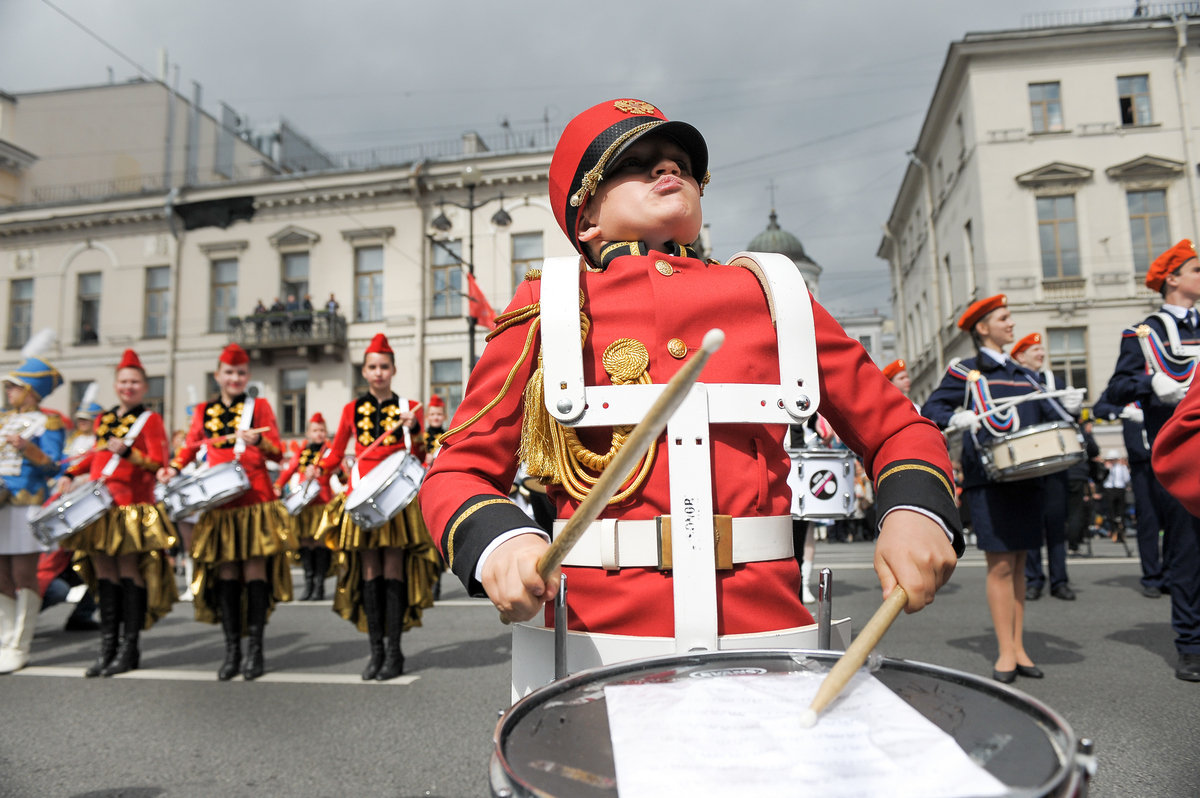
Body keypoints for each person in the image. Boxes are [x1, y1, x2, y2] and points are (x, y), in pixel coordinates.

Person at [420, 99, 962, 685]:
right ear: (585, 217)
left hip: (767, 634)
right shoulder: (548, 307)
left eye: (680, 160)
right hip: (596, 641)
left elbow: (897, 428)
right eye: (636, 162)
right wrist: (502, 543)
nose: (667, 169)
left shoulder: (774, 294)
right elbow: (459, 470)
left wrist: (914, 510)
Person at [923, 296, 1082, 683]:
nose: (1011, 324)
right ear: (982, 327)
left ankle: (1019, 646)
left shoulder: (1023, 374)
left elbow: (1049, 415)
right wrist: (955, 416)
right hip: (988, 480)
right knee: (1000, 566)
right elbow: (931, 410)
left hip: (1027, 479)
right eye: (1003, 318)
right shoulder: (965, 372)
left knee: (1021, 565)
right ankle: (1005, 652)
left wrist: (1068, 404)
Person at [158, 343, 292, 681]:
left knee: (254, 574)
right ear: (218, 375)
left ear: (247, 376)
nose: (235, 378)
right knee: (228, 576)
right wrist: (172, 469)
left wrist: (258, 443)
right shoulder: (203, 411)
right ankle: (233, 650)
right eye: (229, 373)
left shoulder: (258, 407)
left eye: (241, 373)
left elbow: (277, 452)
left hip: (255, 502)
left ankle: (256, 650)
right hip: (219, 506)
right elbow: (188, 448)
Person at [1102, 238, 1200, 681]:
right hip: (1183, 452)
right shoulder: (1145, 333)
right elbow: (1118, 387)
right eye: (1196, 269)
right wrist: (1150, 386)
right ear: (1172, 279)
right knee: (1187, 550)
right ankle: (1191, 643)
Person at [315, 334, 440, 680]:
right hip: (362, 494)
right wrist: (321, 471)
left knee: (393, 571)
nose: (378, 372)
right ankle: (377, 651)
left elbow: (416, 458)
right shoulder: (350, 410)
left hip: (396, 500)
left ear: (393, 370)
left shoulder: (409, 408)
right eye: (372, 367)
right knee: (370, 572)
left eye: (384, 366)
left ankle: (396, 652)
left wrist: (413, 432)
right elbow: (337, 451)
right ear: (364, 371)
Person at [58, 349, 177, 677]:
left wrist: (130, 454)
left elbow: (157, 464)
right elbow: (96, 456)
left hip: (131, 508)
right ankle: (107, 648)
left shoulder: (150, 420)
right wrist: (71, 473)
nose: (129, 386)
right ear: (116, 385)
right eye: (124, 381)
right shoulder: (104, 419)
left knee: (128, 573)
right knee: (105, 576)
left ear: (144, 386)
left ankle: (129, 647)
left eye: (135, 381)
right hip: (100, 507)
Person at [0, 335, 66, 673]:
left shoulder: (49, 422)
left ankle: (19, 644)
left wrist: (28, 448)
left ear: (30, 390)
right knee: (1, 575)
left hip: (26, 504)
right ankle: (4, 639)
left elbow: (55, 465)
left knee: (24, 574)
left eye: (14, 387)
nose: (8, 391)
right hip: (0, 504)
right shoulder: (2, 418)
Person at [1009, 332, 1077, 601]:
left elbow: (1061, 418)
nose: (1041, 353)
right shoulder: (1014, 382)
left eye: (1041, 349)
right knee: (1032, 525)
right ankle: (1034, 578)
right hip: (1027, 461)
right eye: (1034, 349)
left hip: (1055, 462)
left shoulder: (1052, 382)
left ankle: (1059, 581)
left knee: (1056, 525)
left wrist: (1072, 408)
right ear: (1020, 356)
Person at [1093, 396, 1164, 596]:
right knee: (1148, 521)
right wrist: (1123, 411)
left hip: (1170, 456)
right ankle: (1152, 577)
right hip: (1142, 463)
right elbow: (1100, 408)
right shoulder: (1128, 383)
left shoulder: (1172, 371)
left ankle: (1174, 574)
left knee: (1177, 521)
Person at [275, 412, 334, 601]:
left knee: (320, 542)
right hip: (304, 504)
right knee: (305, 542)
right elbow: (290, 469)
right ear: (308, 433)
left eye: (322, 430)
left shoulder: (329, 451)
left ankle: (319, 585)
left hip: (322, 503)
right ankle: (308, 584)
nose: (319, 433)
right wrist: (277, 486)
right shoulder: (302, 451)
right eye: (315, 430)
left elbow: (339, 472)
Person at [1100, 450, 1132, 542]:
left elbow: (1126, 479)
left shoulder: (1122, 467)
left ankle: (1121, 531)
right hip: (1109, 489)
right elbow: (1102, 479)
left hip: (1119, 489)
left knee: (1121, 511)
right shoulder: (1106, 468)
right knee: (1111, 511)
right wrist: (1107, 469)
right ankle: (1113, 530)